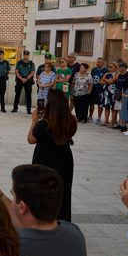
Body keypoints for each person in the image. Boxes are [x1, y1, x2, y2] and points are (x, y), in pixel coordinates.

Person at [28, 88, 76, 222]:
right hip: (64, 159)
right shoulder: (71, 120)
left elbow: (31, 139)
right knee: (63, 190)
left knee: (42, 190)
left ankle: (42, 219)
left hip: (44, 159)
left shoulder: (44, 124)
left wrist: (34, 121)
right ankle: (62, 219)